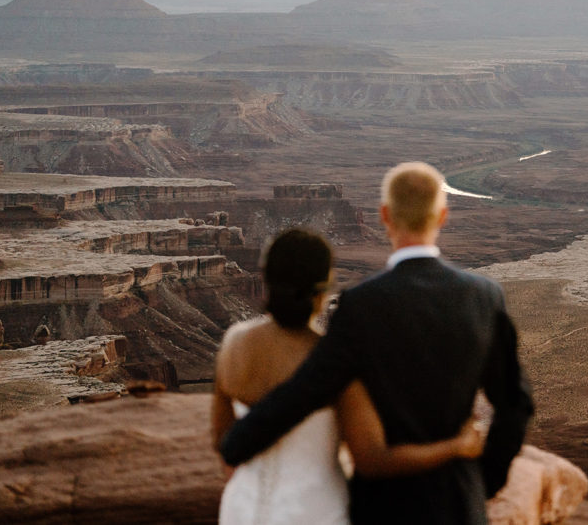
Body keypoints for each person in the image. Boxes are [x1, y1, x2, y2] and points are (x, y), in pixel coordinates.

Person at [220, 162, 534, 524]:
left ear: (385, 216)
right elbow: (516, 404)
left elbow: (307, 389)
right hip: (458, 503)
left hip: (384, 507)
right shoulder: (484, 297)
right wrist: (483, 481)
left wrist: (238, 441)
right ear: (443, 216)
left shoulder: (360, 306)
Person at [212, 228, 488, 524]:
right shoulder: (336, 360)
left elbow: (222, 441)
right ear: (322, 293)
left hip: (242, 509)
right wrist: (456, 446)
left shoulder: (234, 343)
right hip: (316, 511)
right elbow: (372, 460)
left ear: (267, 282)